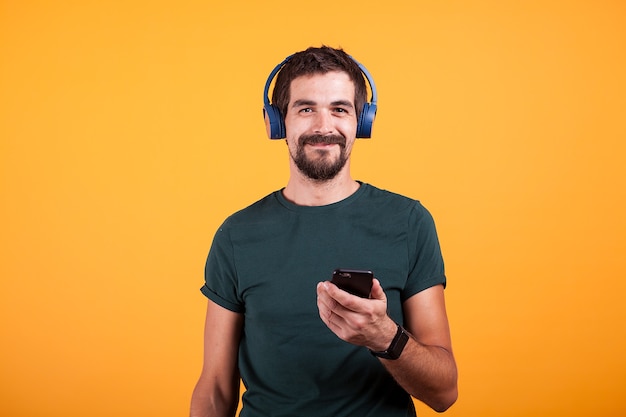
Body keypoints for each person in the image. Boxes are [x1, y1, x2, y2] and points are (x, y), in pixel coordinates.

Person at [190, 46, 458, 417]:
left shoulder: (409, 222)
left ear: (361, 122)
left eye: (339, 108)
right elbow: (215, 389)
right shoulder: (236, 235)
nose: (323, 126)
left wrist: (383, 336)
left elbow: (444, 392)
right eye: (305, 108)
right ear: (278, 122)